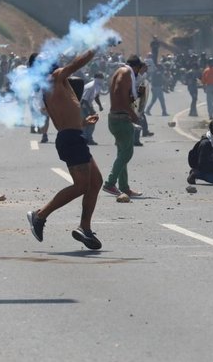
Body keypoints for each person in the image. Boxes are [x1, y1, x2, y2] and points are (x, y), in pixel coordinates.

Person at [26, 49, 103, 250]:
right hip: (71, 140)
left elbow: (63, 118)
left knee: (95, 182)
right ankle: (39, 215)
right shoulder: (55, 77)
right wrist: (93, 47)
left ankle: (84, 227)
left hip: (72, 136)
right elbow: (78, 63)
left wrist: (83, 123)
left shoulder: (53, 86)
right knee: (81, 186)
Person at [102, 55, 143, 197]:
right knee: (127, 153)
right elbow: (119, 92)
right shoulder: (126, 73)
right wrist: (132, 113)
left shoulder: (118, 72)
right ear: (136, 67)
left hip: (115, 117)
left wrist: (136, 96)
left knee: (122, 153)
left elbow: (121, 94)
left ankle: (124, 187)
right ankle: (110, 183)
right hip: (121, 118)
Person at [80, 73, 104, 145]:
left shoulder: (97, 85)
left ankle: (88, 138)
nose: (102, 80)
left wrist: (100, 105)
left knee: (91, 122)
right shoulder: (91, 86)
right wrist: (89, 110)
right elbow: (84, 99)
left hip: (88, 105)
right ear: (97, 78)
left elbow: (96, 96)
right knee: (87, 122)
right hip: (82, 106)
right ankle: (86, 139)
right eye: (101, 78)